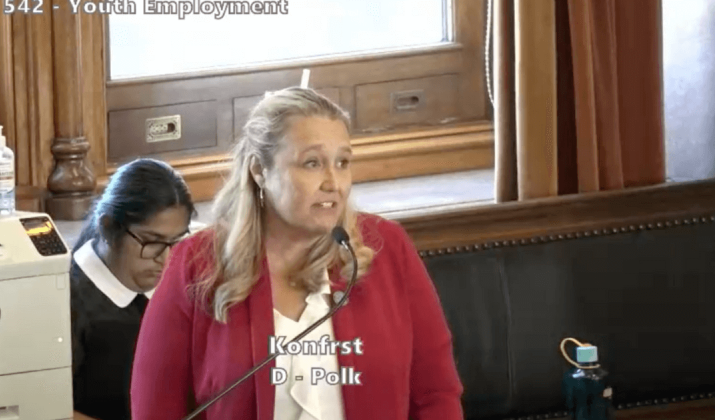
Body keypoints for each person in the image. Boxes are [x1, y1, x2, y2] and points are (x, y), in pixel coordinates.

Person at [130, 88, 463, 419]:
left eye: (343, 163)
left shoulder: (387, 248)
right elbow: (155, 409)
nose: (333, 183)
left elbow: (436, 394)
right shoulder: (196, 264)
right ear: (259, 171)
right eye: (312, 163)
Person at [70, 158, 196, 420]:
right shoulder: (68, 301)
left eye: (176, 241)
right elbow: (46, 407)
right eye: (151, 242)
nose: (165, 259)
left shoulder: (184, 286)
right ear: (107, 227)